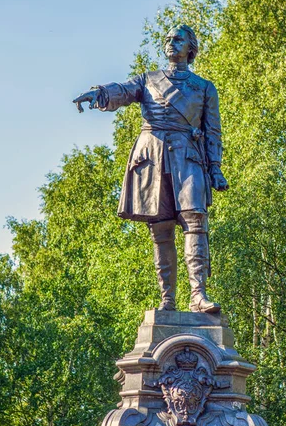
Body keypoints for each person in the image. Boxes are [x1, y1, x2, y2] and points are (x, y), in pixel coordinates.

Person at [73, 24, 228, 313]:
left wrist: (215, 167)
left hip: (188, 155)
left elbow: (213, 131)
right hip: (152, 156)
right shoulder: (149, 80)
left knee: (195, 220)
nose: (171, 42)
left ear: (190, 48)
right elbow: (124, 90)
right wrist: (101, 94)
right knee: (161, 228)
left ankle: (198, 296)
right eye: (168, 39)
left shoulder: (204, 88)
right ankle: (167, 299)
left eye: (178, 39)